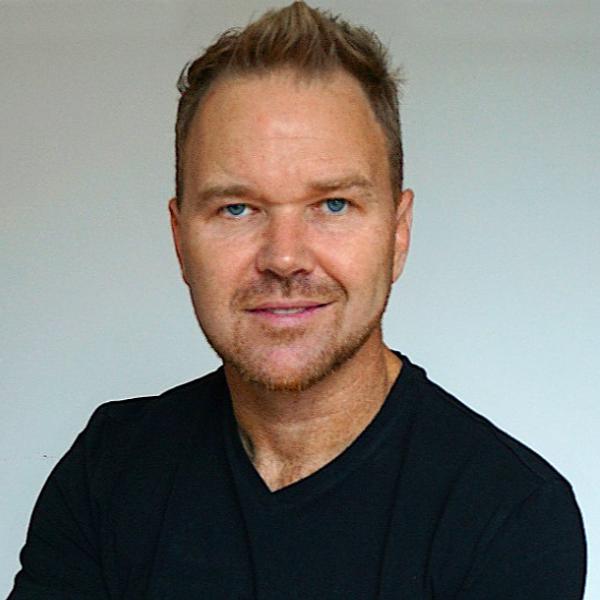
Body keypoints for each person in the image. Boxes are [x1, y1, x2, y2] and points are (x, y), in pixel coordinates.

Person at [9, 2, 586, 598]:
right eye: (237, 208)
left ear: (397, 233)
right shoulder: (109, 470)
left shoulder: (508, 514)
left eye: (333, 205)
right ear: (180, 241)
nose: (284, 258)